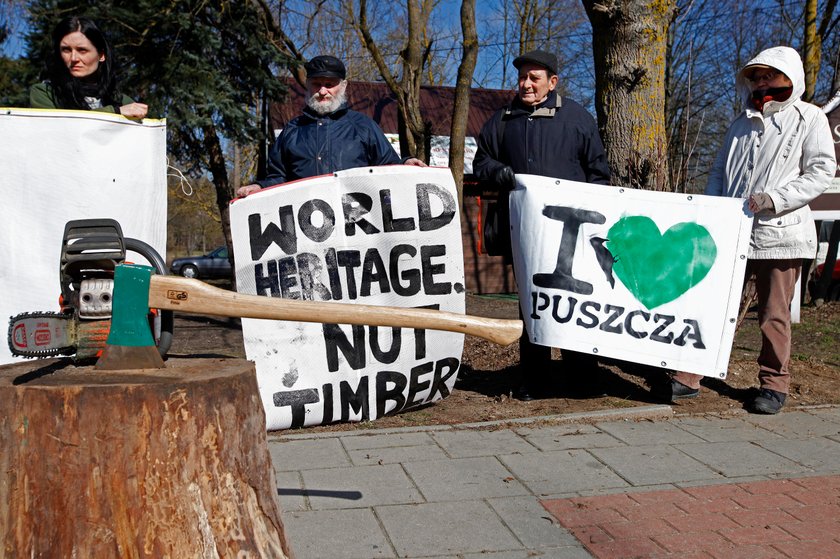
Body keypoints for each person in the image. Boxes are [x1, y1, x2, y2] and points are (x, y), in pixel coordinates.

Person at [663, 46, 835, 414]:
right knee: (712, 303)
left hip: (781, 234)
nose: (760, 81)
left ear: (789, 76)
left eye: (768, 74)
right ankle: (691, 374)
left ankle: (773, 384)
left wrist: (774, 198)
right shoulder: (739, 123)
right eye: (755, 76)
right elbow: (717, 173)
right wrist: (711, 209)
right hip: (732, 232)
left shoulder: (809, 118)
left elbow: (820, 171)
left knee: (773, 313)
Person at [472, 49, 611, 401]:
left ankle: (582, 376)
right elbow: (481, 161)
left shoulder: (577, 119)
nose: (526, 84)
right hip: (525, 232)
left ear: (553, 81)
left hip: (572, 232)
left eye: (535, 78)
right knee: (532, 303)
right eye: (522, 77)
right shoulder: (503, 119)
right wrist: (497, 172)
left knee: (576, 300)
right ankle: (535, 379)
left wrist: (597, 218)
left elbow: (599, 174)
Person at [237, 55, 424, 197]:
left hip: (357, 232)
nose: (322, 91)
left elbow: (387, 166)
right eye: (316, 84)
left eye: (329, 84)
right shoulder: (291, 131)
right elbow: (278, 177)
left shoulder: (364, 126)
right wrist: (260, 187)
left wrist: (405, 164)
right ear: (307, 86)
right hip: (308, 234)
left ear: (343, 86)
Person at [30, 16, 147, 119]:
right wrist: (115, 112)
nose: (74, 58)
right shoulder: (44, 94)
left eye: (82, 50)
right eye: (66, 50)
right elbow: (61, 131)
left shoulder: (122, 101)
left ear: (101, 55)